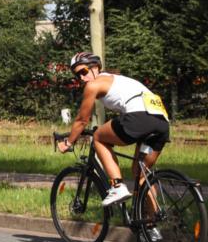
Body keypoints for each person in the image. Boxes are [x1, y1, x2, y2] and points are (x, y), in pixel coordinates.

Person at [57, 51, 171, 209]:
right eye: (77, 76)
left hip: (139, 117)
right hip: (162, 122)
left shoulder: (94, 84)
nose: (82, 78)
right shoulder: (119, 79)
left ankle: (117, 187)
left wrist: (68, 142)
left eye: (83, 72)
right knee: (141, 174)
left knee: (98, 137)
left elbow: (82, 120)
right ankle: (150, 227)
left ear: (95, 67)